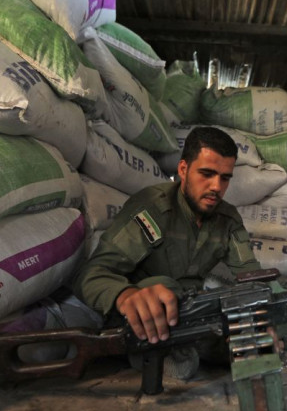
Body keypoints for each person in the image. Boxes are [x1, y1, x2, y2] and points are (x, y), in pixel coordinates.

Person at [73, 126, 264, 375]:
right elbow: (91, 275)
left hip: (191, 317)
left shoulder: (227, 220)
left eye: (225, 177)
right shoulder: (152, 207)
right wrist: (126, 296)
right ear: (183, 170)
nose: (216, 186)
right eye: (207, 174)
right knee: (166, 289)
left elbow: (251, 278)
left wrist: (263, 314)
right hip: (140, 322)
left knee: (267, 301)